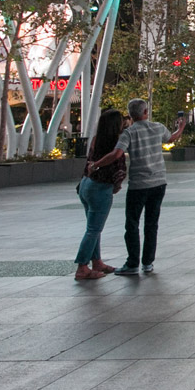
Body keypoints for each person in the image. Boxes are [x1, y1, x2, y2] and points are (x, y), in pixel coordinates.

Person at [114, 99, 189, 274]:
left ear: (131, 115)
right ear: (145, 112)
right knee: (151, 223)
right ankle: (147, 262)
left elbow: (118, 153)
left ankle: (132, 263)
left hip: (138, 185)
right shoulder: (158, 127)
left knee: (132, 223)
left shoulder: (129, 133)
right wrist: (181, 127)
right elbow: (172, 138)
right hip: (158, 183)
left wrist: (98, 164)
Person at [74, 108, 127, 281]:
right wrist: (117, 185)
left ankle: (97, 262)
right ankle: (82, 267)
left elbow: (89, 160)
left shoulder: (96, 140)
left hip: (86, 185)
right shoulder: (117, 143)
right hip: (100, 187)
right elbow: (118, 166)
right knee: (94, 229)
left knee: (93, 227)